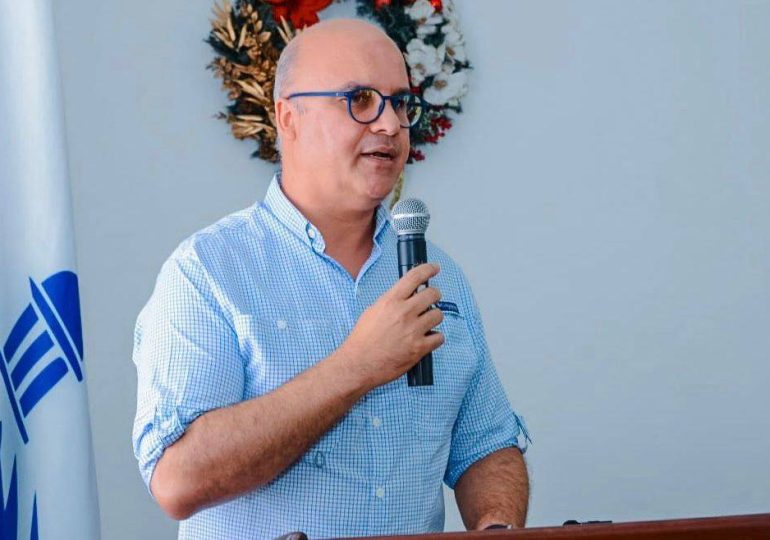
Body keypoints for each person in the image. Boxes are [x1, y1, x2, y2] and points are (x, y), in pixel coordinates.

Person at [132, 17, 531, 539]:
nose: (389, 125)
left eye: (400, 103)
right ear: (288, 118)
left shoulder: (439, 274)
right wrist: (357, 366)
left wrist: (496, 522)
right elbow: (178, 480)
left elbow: (487, 445)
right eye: (360, 100)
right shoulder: (207, 271)